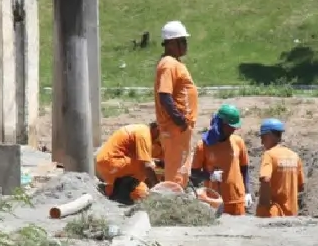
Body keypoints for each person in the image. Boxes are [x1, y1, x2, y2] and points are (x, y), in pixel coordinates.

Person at [154, 20, 199, 188]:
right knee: (176, 172)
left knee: (181, 169)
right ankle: (174, 201)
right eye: (182, 41)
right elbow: (165, 95)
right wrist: (179, 120)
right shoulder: (168, 64)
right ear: (172, 43)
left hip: (179, 129)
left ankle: (178, 197)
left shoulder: (173, 63)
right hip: (175, 129)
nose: (185, 45)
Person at [190, 104, 252, 215]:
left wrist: (247, 192)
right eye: (231, 126)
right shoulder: (203, 146)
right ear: (221, 124)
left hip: (237, 200)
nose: (233, 130)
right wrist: (210, 176)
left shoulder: (238, 142)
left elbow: (245, 169)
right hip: (214, 200)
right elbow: (194, 173)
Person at [95, 122, 161, 204]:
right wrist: (158, 188)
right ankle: (125, 192)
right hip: (111, 162)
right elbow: (146, 166)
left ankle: (110, 190)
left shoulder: (142, 131)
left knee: (140, 191)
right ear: (157, 129)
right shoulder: (144, 134)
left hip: (111, 165)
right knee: (144, 165)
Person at [256, 118, 304, 218]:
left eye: (263, 138)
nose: (262, 142)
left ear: (270, 135)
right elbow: (300, 186)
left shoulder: (269, 155)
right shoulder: (295, 156)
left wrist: (263, 208)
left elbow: (265, 179)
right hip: (292, 214)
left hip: (274, 213)